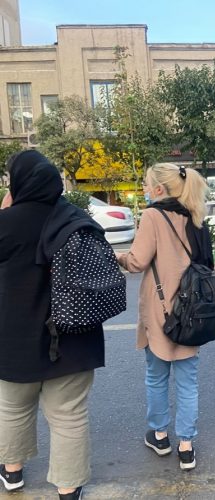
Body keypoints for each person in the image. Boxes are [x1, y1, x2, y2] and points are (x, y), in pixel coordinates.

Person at [0, 150, 105, 499]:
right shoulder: (77, 218)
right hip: (75, 338)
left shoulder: (6, 223)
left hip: (14, 341)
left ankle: (12, 472)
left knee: (12, 409)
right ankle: (68, 489)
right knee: (69, 416)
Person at [116, 163, 213, 471]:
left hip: (160, 311)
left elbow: (137, 262)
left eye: (147, 185)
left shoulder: (153, 216)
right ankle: (186, 447)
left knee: (156, 376)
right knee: (188, 382)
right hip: (193, 311)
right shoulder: (195, 215)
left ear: (159, 189)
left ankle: (160, 437)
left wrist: (115, 256)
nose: (145, 189)